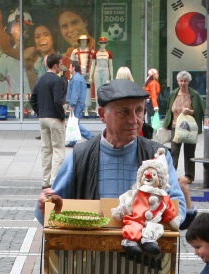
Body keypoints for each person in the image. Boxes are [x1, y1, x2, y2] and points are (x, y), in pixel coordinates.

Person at [35, 78, 186, 223]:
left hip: (143, 247)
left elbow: (180, 211)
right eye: (124, 112)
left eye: (139, 111)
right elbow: (51, 211)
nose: (134, 120)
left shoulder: (157, 156)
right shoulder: (80, 157)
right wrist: (43, 207)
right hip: (92, 248)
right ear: (102, 115)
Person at [30, 53, 68, 189]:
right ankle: (54, 180)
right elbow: (58, 100)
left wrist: (40, 111)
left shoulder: (40, 79)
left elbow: (32, 99)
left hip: (43, 118)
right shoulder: (57, 80)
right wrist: (62, 116)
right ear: (56, 65)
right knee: (58, 150)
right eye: (60, 63)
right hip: (54, 118)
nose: (61, 66)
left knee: (46, 150)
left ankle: (45, 180)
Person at [163, 70, 204, 183]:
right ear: (177, 81)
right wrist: (166, 124)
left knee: (189, 152)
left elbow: (200, 110)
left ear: (188, 82)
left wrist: (190, 112)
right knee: (174, 152)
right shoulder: (173, 94)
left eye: (185, 81)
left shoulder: (194, 94)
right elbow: (169, 110)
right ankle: (171, 175)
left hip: (189, 127)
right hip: (175, 127)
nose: (183, 83)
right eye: (181, 81)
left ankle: (189, 176)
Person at [66, 60, 93, 143]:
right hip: (79, 102)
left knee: (75, 123)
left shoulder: (76, 78)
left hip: (77, 103)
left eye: (70, 67)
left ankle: (91, 137)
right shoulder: (79, 77)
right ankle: (73, 141)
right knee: (74, 122)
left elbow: (75, 92)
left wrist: (72, 104)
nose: (69, 69)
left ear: (73, 68)